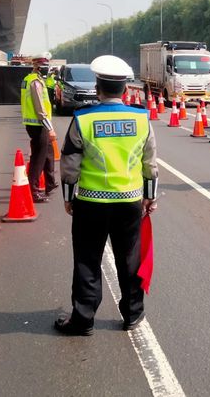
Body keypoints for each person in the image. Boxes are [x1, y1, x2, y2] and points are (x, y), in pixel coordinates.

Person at [56, 55, 159, 336]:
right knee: (130, 259)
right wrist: (150, 195)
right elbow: (150, 161)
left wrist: (68, 196)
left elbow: (69, 164)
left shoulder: (83, 119)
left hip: (91, 203)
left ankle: (83, 319)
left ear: (97, 88)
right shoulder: (141, 118)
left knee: (88, 260)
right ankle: (132, 314)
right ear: (125, 90)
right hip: (130, 202)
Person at [21, 54, 57, 203]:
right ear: (36, 66)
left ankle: (50, 183)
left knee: (48, 152)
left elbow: (48, 91)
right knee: (38, 158)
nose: (45, 67)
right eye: (43, 65)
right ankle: (33, 191)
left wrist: (51, 77)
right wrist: (49, 128)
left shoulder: (33, 79)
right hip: (38, 124)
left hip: (36, 123)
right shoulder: (34, 82)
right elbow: (39, 107)